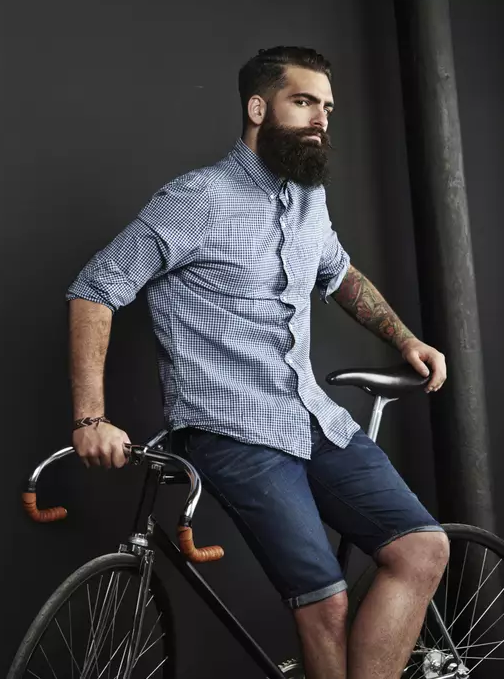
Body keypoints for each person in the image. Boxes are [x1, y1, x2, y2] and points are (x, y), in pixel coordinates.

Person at [65, 46, 450, 679]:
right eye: (304, 102)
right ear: (257, 107)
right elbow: (95, 288)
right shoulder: (196, 200)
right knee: (325, 603)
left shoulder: (308, 201)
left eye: (326, 107)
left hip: (314, 420)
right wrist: (89, 419)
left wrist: (404, 337)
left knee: (422, 550)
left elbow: (338, 273)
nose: (321, 118)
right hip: (232, 431)